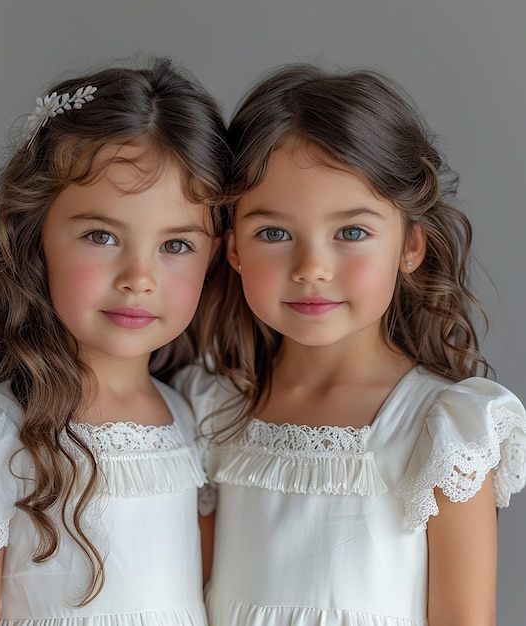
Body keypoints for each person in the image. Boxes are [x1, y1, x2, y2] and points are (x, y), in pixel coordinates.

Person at [174, 64, 526, 625]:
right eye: (274, 233)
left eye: (352, 232)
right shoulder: (213, 410)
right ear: (234, 248)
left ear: (410, 246)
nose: (312, 268)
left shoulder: (445, 428)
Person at [0, 57, 229, 625]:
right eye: (101, 236)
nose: (139, 277)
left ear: (214, 257)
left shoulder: (194, 416)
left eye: (175, 245)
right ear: (35, 238)